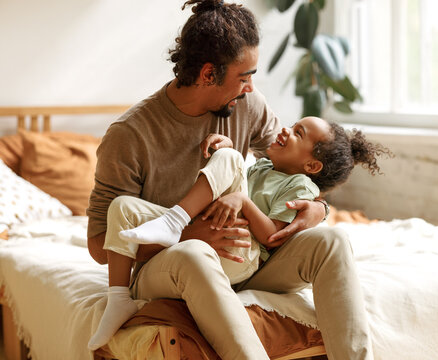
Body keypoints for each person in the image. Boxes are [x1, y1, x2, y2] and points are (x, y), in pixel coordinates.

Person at [86, 0, 378, 359]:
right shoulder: (129, 137)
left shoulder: (247, 106)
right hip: (169, 262)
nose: (251, 88)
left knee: (332, 241)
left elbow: (296, 164)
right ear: (209, 74)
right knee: (194, 252)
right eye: (245, 77)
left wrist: (318, 207)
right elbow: (101, 246)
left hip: (245, 256)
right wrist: (189, 234)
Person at [88, 116, 391, 349]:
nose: (284, 130)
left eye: (297, 132)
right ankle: (120, 296)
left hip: (244, 253)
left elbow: (273, 235)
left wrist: (245, 198)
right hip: (205, 246)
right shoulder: (261, 167)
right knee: (122, 206)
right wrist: (228, 157)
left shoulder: (293, 180)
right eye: (292, 125)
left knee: (233, 158)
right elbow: (235, 177)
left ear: (311, 164)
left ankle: (174, 221)